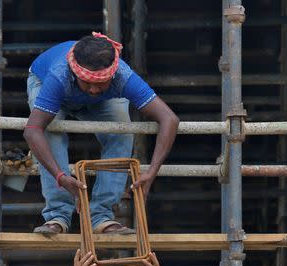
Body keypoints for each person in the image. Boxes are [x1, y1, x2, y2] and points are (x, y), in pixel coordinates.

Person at [24, 33, 179, 235]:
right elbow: (33, 130)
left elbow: (169, 119)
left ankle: (102, 217)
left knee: (122, 131)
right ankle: (57, 216)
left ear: (112, 74)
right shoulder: (59, 75)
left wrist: (151, 172)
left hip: (97, 101)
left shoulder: (122, 75)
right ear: (74, 71)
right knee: (50, 130)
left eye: (101, 83)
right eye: (87, 82)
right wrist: (61, 176)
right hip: (44, 83)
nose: (93, 89)